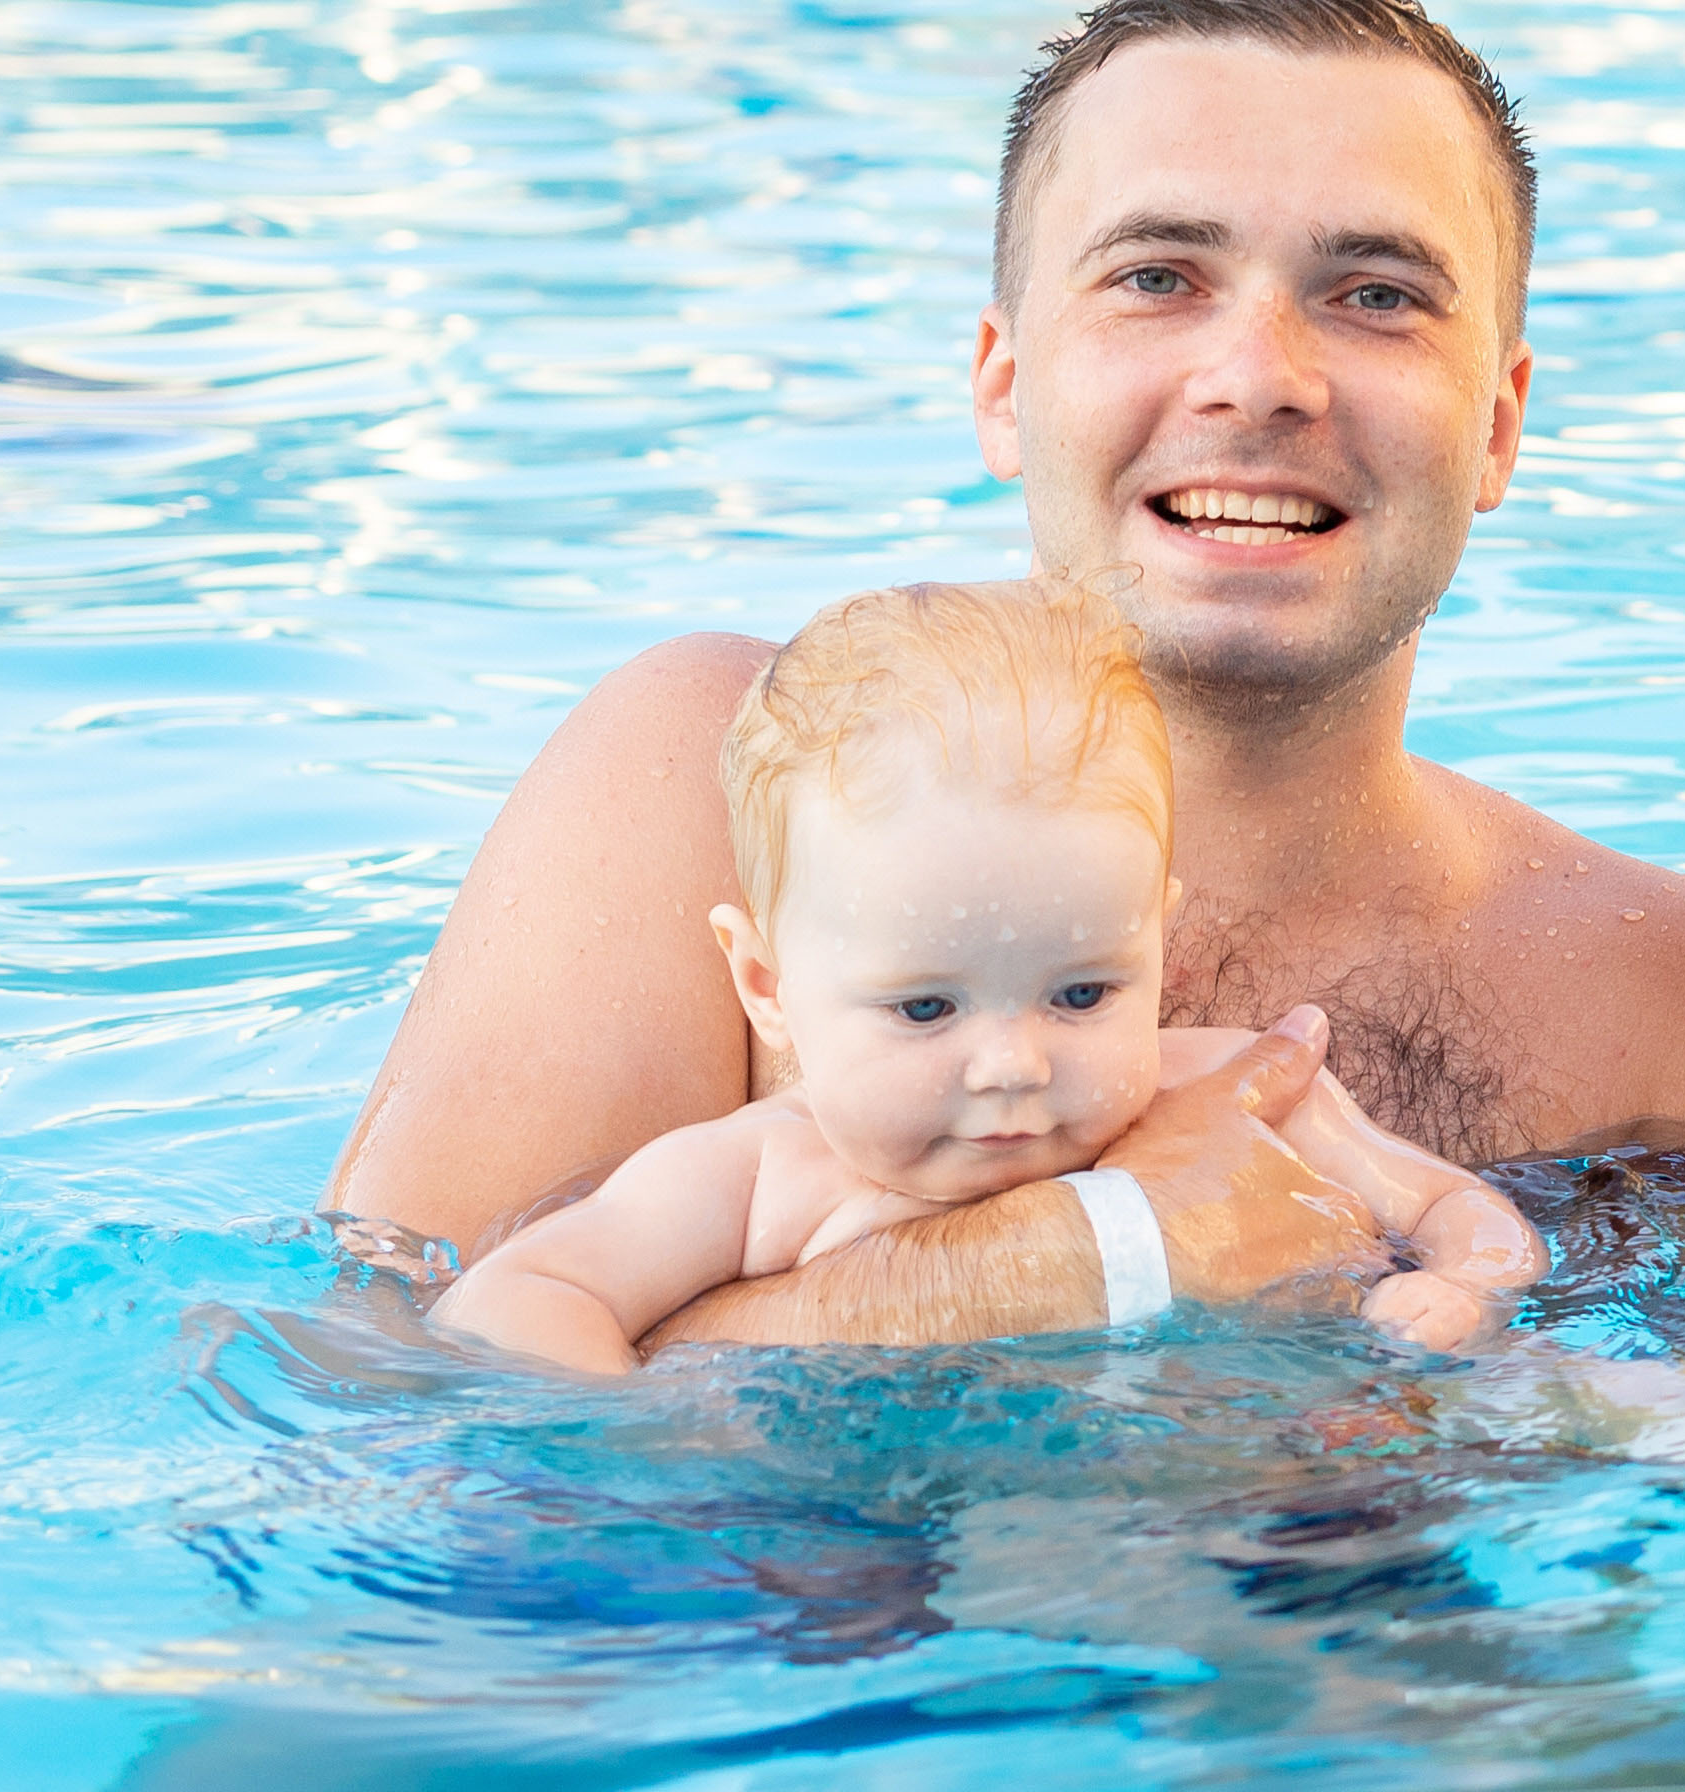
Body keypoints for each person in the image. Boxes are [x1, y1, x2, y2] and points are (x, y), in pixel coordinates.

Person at [327, 0, 1685, 1336]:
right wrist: (1080, 1259)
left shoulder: (1658, 1004)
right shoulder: (704, 786)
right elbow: (386, 1418)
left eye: (1376, 295)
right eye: (1158, 276)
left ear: (1498, 427)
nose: (1258, 379)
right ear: (1003, 380)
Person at [426, 578, 1533, 1371]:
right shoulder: (751, 1180)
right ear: (766, 982)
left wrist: (1463, 1289)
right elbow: (515, 1297)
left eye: (1083, 991)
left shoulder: (1243, 1090)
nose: (1012, 1060)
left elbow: (1453, 1205)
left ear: (1161, 943)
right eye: (925, 1007)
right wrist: (642, 1458)